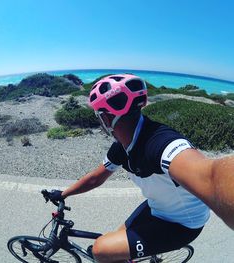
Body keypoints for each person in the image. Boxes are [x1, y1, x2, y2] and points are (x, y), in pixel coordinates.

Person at [47, 73, 234, 263]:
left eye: (98, 117)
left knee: (101, 250)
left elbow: (211, 176)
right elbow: (96, 178)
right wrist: (64, 193)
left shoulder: (161, 144)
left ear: (105, 117)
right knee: (112, 243)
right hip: (157, 207)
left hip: (183, 224)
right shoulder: (121, 147)